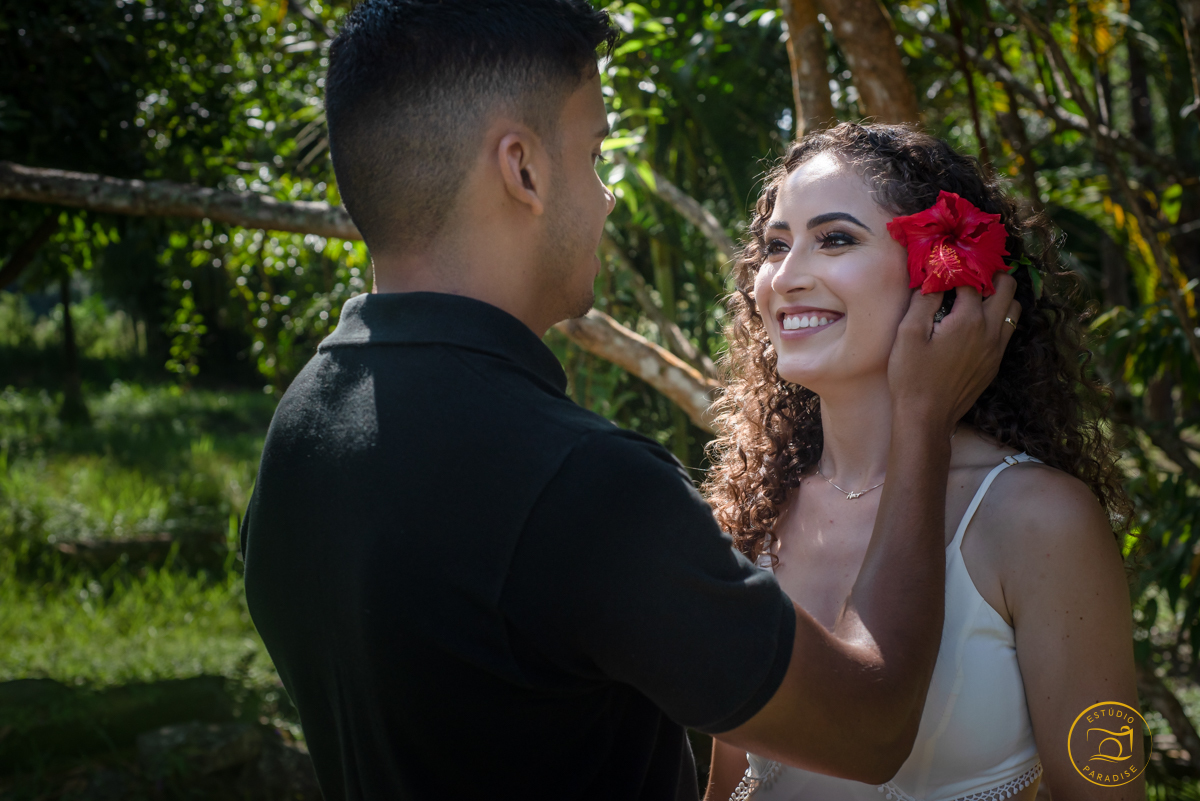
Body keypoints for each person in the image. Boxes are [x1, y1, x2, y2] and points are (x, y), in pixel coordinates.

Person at [239, 4, 1018, 800]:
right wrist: (922, 418)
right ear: (524, 171)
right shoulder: (580, 485)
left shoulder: (300, 433)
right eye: (595, 152)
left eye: (837, 238)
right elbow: (870, 724)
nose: (608, 195)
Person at [703, 124, 1142, 801]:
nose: (784, 278)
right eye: (775, 245)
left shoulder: (1038, 518)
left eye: (837, 238)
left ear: (946, 274)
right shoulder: (754, 511)